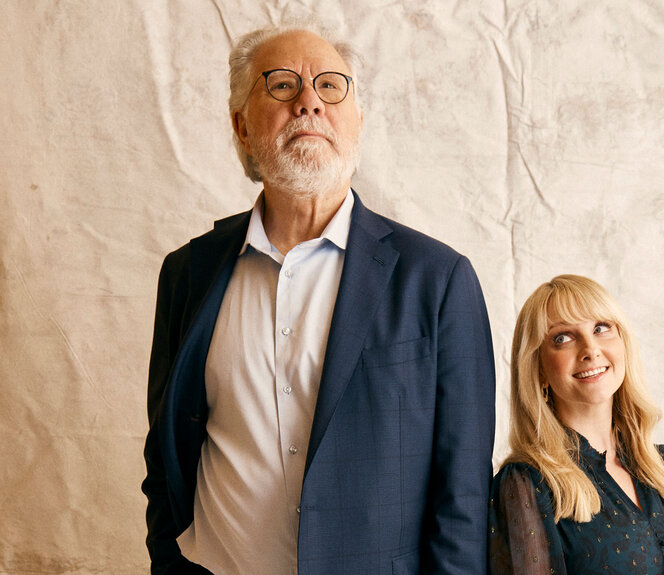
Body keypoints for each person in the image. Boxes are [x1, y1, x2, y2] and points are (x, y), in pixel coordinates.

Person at [142, 22, 495, 575]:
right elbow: (165, 453)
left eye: (331, 86)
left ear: (356, 119)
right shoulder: (188, 273)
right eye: (281, 85)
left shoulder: (439, 280)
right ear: (241, 124)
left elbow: (464, 498)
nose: (309, 101)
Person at [489, 275, 664, 574]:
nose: (590, 349)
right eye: (562, 338)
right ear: (538, 368)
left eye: (601, 328)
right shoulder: (527, 483)